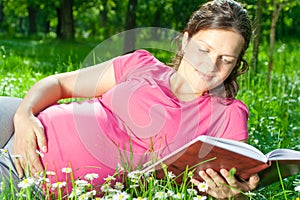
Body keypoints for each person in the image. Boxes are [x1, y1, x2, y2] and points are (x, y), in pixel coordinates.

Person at [0, 0, 260, 198]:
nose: (210, 65)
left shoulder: (227, 114)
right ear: (185, 41)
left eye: (226, 59)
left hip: (30, 173)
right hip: (19, 121)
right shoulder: (141, 63)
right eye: (204, 50)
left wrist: (234, 194)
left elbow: (230, 178)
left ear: (237, 63)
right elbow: (59, 84)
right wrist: (24, 114)